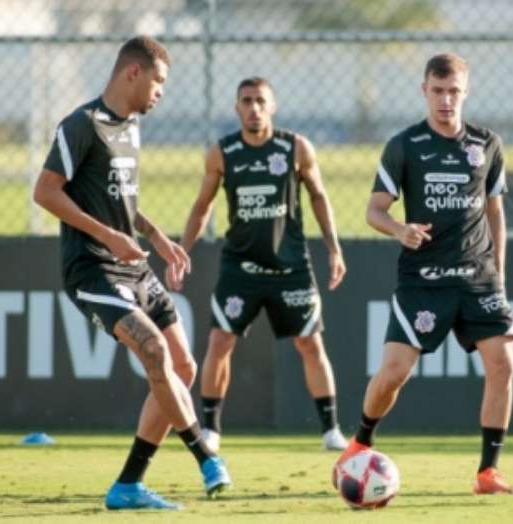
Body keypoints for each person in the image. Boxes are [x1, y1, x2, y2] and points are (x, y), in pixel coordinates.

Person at [33, 36, 230, 510]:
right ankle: (204, 455)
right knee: (155, 351)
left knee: (183, 366)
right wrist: (109, 237)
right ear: (132, 74)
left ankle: (127, 486)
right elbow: (45, 192)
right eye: (158, 81)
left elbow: (125, 203)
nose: (162, 91)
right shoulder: (81, 125)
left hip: (135, 267)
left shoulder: (132, 128)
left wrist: (156, 237)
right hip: (93, 271)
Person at [335, 53, 513, 495]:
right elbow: (374, 211)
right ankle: (360, 441)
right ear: (424, 91)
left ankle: (487, 472)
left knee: (503, 362)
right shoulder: (404, 145)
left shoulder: (487, 144)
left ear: (465, 92)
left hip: (478, 277)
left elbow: (496, 213)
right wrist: (401, 229)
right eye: (438, 91)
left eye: (454, 91)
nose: (446, 100)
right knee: (395, 371)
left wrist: (499, 275)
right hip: (424, 280)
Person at [169, 77, 348, 459]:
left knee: (310, 343)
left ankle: (331, 429)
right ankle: (211, 429)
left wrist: (333, 248)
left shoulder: (295, 147)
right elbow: (202, 207)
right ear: (236, 108)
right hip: (241, 267)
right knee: (220, 341)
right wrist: (182, 252)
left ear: (273, 105)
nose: (254, 108)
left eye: (261, 101)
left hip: (291, 267)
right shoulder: (222, 153)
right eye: (246, 101)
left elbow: (318, 196)